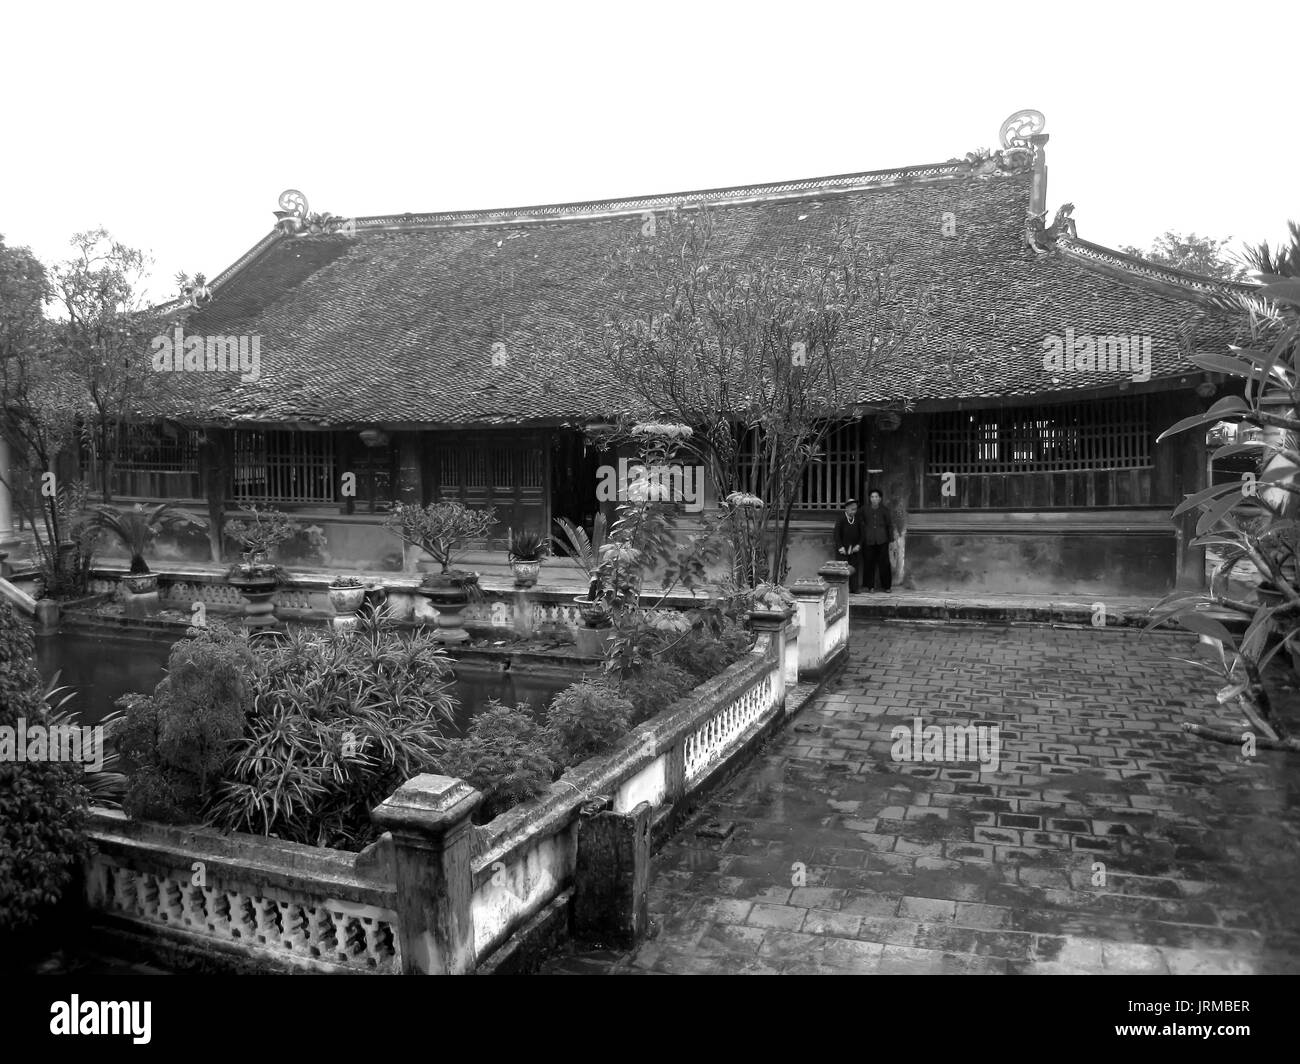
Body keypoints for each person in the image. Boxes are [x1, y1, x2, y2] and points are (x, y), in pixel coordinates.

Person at [862, 489, 894, 593]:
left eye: (876, 497)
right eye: (872, 497)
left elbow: (889, 526)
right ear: (869, 498)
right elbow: (859, 522)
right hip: (869, 540)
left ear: (880, 499)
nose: (874, 499)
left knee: (884, 564)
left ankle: (887, 586)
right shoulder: (864, 510)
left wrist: (891, 540)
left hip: (882, 540)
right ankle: (870, 586)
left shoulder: (885, 510)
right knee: (869, 563)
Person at [832, 498, 865, 593]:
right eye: (852, 509)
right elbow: (836, 534)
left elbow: (862, 534)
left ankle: (854, 588)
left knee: (854, 568)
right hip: (843, 549)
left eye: (855, 509)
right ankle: (843, 588)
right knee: (843, 569)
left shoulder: (858, 519)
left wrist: (859, 545)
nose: (854, 511)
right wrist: (840, 547)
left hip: (854, 549)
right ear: (846, 509)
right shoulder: (841, 519)